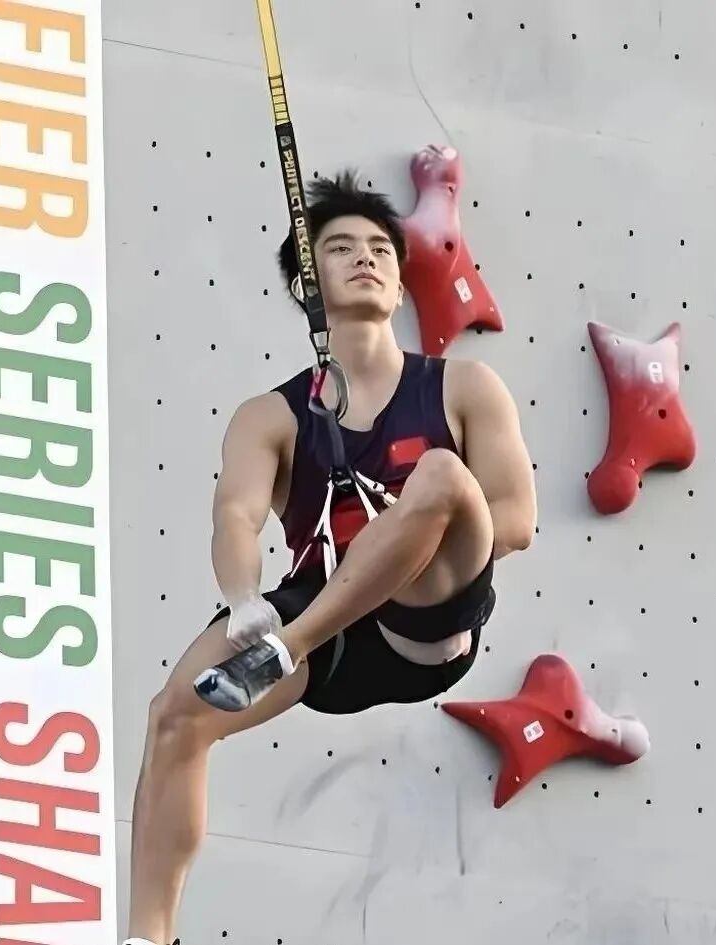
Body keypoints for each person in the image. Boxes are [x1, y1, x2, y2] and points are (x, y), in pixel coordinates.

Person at [122, 171, 538, 945]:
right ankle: (150, 936)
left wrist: (408, 525)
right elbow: (236, 514)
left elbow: (514, 521)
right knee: (174, 715)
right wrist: (243, 597)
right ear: (305, 285)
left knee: (442, 476)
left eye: (381, 248)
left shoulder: (464, 387)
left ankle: (291, 643)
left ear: (400, 281)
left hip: (427, 614)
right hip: (324, 624)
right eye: (340, 248)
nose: (366, 257)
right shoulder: (271, 415)